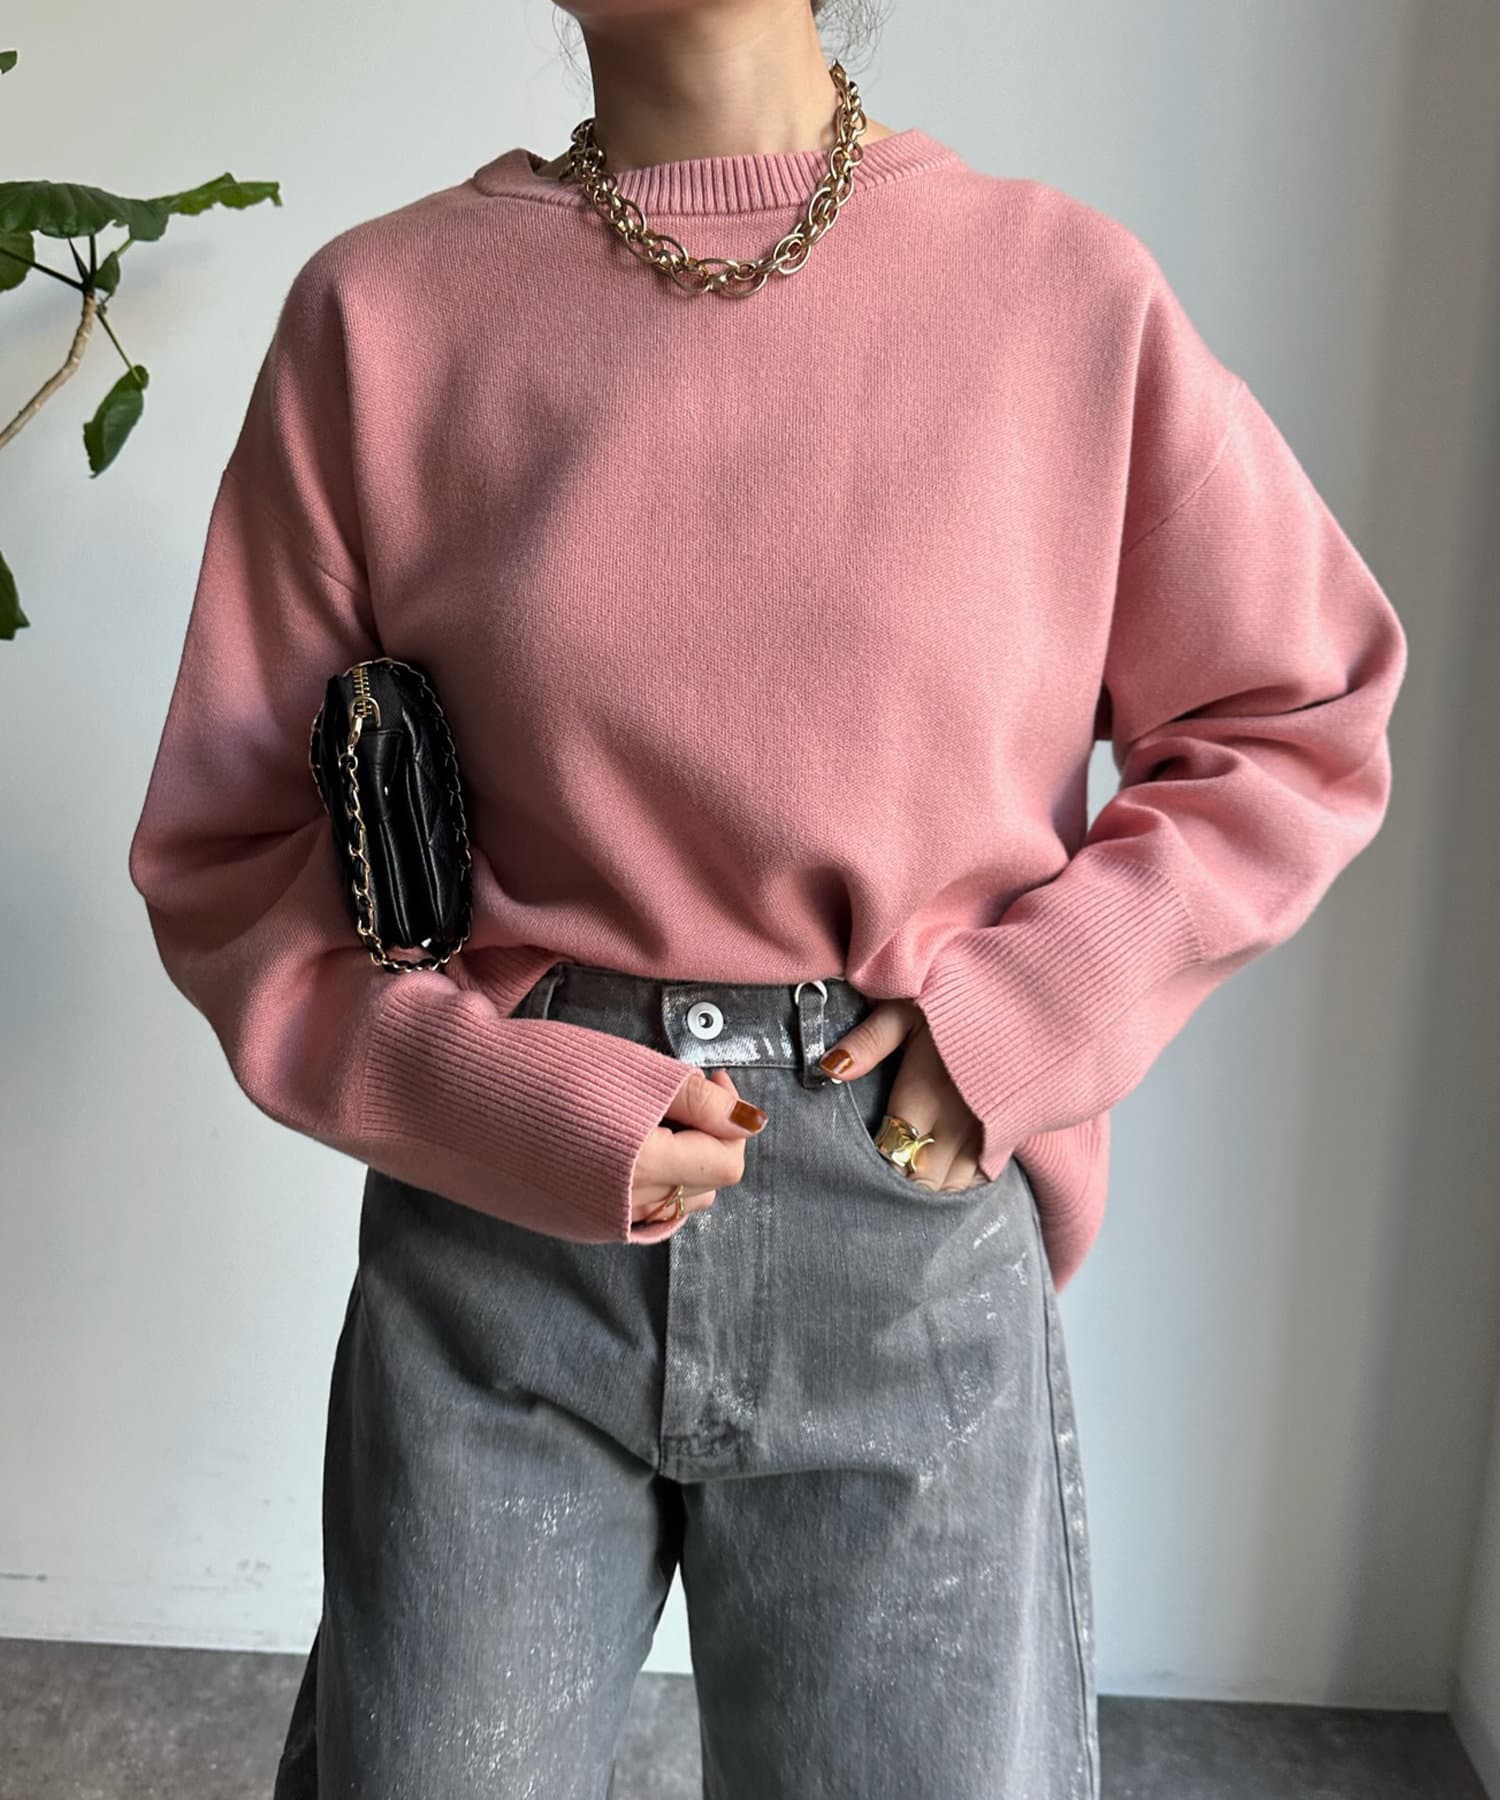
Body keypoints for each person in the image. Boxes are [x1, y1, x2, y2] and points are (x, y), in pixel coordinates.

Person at [126, 1, 1408, 1794]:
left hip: (905, 1233)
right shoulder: (383, 318)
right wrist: (484, 1091)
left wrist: (1021, 1018)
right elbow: (234, 851)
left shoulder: (1061, 298)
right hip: (505, 1241)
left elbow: (1296, 715)